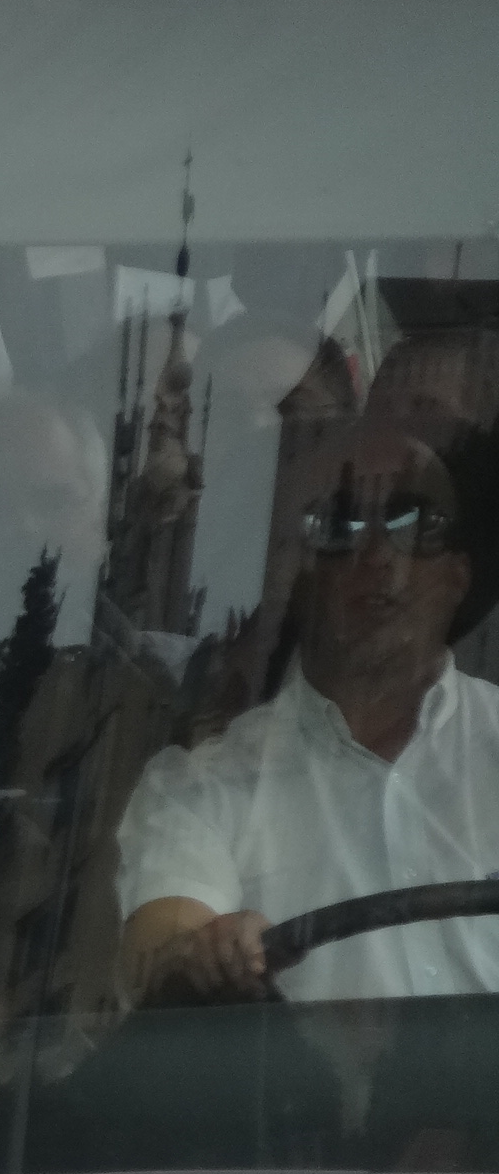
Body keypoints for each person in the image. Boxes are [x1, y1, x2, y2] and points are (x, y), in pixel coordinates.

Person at [117, 419, 499, 1006]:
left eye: (413, 523)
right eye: (341, 526)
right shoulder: (199, 789)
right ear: (300, 575)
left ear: (458, 575)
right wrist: (203, 953)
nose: (378, 555)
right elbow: (167, 955)